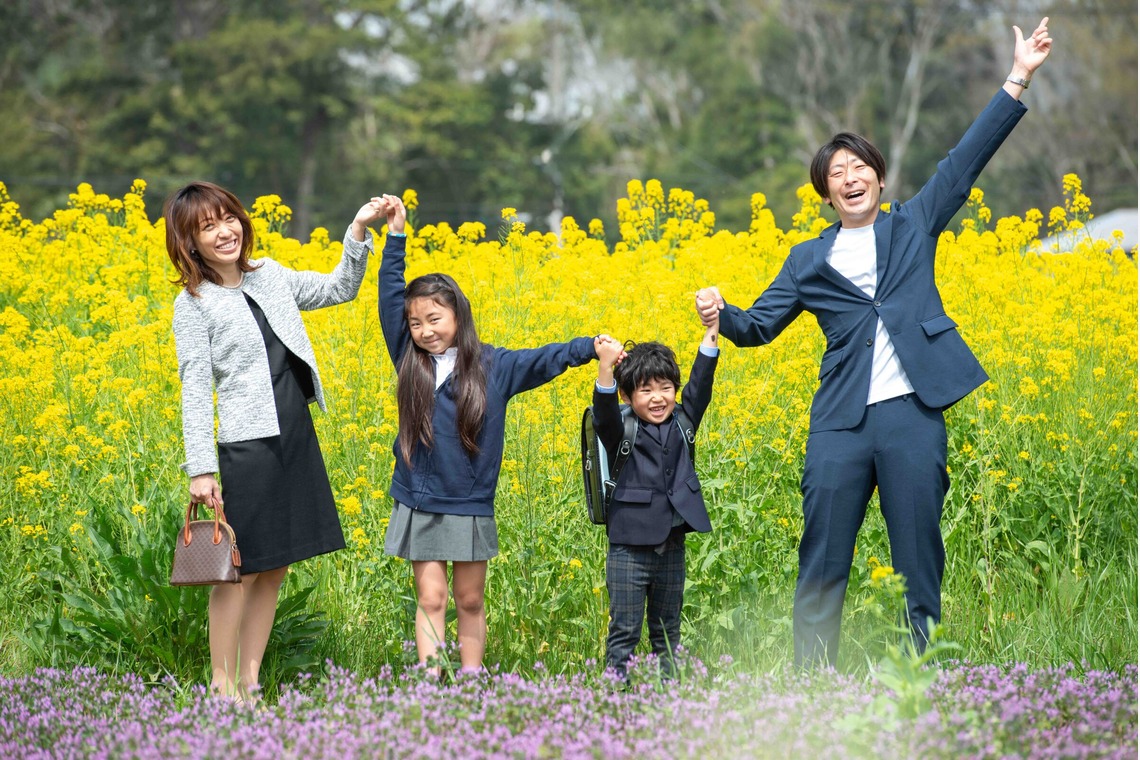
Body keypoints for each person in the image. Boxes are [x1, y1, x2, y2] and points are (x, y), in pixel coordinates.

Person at [696, 19, 1053, 667]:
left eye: (861, 166)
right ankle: (811, 682)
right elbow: (759, 327)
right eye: (838, 172)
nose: (851, 176)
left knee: (919, 554)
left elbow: (963, 159)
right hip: (840, 425)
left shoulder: (914, 225)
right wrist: (721, 313)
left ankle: (928, 673)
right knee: (824, 554)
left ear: (880, 181)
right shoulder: (807, 260)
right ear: (825, 191)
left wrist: (1018, 75)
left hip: (912, 415)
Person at [168, 181, 391, 701]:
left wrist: (357, 232)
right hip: (249, 444)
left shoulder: (268, 275)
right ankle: (222, 689)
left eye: (229, 219)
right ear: (189, 241)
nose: (225, 232)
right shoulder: (193, 303)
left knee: (274, 568)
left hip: (294, 430)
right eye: (208, 226)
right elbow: (196, 388)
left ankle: (251, 682)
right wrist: (201, 469)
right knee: (239, 572)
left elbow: (339, 289)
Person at [376, 194, 603, 673]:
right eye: (416, 322)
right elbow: (390, 296)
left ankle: (471, 680)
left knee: (470, 599)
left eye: (434, 319)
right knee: (431, 596)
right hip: (420, 499)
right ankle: (428, 682)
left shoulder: (494, 366)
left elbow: (546, 358)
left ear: (459, 315)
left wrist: (591, 347)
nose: (423, 330)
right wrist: (395, 236)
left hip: (468, 500)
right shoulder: (408, 358)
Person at [593, 314, 719, 679]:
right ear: (627, 396)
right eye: (645, 390)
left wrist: (712, 330)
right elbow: (602, 415)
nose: (658, 398)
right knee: (625, 633)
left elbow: (701, 384)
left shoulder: (684, 419)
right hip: (629, 548)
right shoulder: (623, 428)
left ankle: (668, 703)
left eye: (665, 387)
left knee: (668, 633)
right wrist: (605, 367)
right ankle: (616, 703)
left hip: (672, 545)